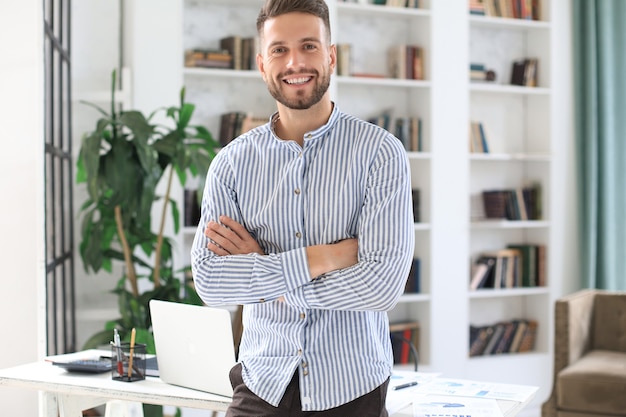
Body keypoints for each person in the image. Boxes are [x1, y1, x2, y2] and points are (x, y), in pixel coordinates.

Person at [191, 0, 415, 415]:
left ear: (331, 55)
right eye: (279, 49)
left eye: (309, 46)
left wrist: (262, 269)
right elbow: (211, 282)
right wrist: (326, 256)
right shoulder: (231, 164)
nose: (295, 61)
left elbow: (382, 285)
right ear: (262, 63)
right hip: (262, 382)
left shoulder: (380, 154)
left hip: (351, 387)